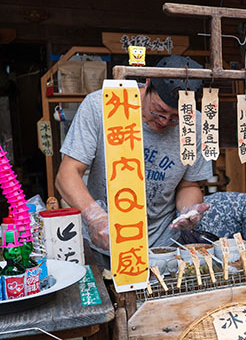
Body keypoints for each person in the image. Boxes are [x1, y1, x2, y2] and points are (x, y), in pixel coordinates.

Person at [56, 55, 211, 258]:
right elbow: (67, 174)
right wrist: (95, 218)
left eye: (176, 118)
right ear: (147, 84)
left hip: (161, 249)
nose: (164, 122)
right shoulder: (99, 106)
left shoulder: (196, 125)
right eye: (158, 111)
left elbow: (188, 185)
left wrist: (188, 210)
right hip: (104, 241)